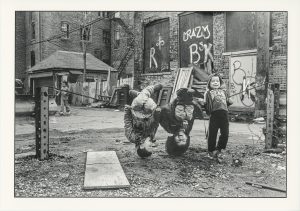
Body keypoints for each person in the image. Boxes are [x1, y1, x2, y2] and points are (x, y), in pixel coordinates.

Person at [124, 84, 163, 158]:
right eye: (152, 147)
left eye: (150, 147)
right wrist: (157, 114)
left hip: (136, 113)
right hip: (149, 114)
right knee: (148, 103)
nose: (152, 145)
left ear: (142, 146)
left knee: (139, 101)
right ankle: (139, 94)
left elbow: (127, 123)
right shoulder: (151, 136)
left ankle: (151, 89)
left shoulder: (132, 137)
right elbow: (155, 125)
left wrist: (127, 111)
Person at [204, 73, 232, 161]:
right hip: (214, 115)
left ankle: (220, 148)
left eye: (217, 81)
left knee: (225, 133)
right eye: (213, 81)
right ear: (209, 83)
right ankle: (211, 150)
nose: (215, 83)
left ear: (220, 83)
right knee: (212, 134)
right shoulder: (208, 93)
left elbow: (227, 102)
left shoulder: (224, 92)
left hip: (224, 114)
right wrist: (203, 103)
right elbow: (205, 103)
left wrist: (230, 101)